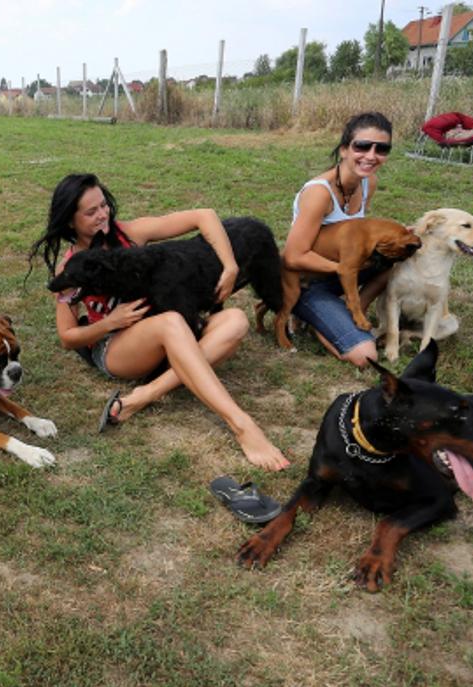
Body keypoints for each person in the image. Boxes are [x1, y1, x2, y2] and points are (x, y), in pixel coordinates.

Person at [29, 173, 290, 472]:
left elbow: (203, 216)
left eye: (103, 205)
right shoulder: (70, 270)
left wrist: (230, 266)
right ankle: (242, 425)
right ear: (70, 221)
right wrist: (110, 322)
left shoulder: (129, 234)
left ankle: (146, 394)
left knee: (235, 320)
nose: (102, 214)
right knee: (172, 322)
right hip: (117, 348)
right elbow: (67, 337)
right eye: (91, 212)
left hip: (167, 338)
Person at [283, 111, 394, 368]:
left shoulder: (368, 183)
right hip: (307, 282)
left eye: (382, 149)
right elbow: (293, 256)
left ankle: (353, 312)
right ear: (344, 149)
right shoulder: (319, 194)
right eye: (362, 146)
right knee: (365, 356)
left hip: (343, 275)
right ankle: (312, 316)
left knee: (395, 257)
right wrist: (345, 269)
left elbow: (356, 234)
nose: (371, 156)